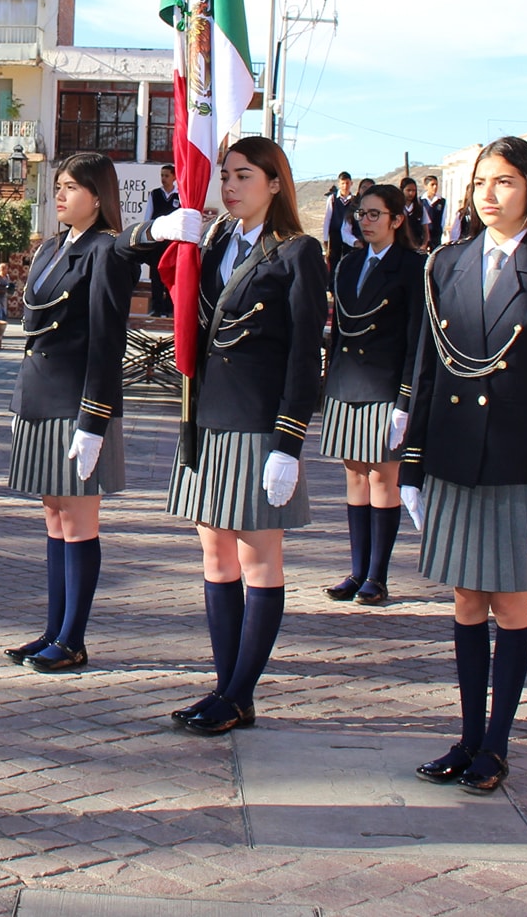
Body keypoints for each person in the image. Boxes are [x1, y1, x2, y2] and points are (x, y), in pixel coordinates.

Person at [399, 136, 527, 796]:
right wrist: (413, 466)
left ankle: (497, 743)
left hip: (514, 462)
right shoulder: (447, 263)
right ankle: (467, 733)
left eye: (504, 181)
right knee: (465, 598)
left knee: (510, 601)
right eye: (481, 180)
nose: (489, 192)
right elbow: (427, 367)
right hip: (455, 455)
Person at [129, 136, 325, 737]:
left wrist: (289, 441)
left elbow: (303, 355)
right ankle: (226, 687)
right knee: (215, 554)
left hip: (260, 424)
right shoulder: (211, 241)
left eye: (243, 175)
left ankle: (239, 692)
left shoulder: (298, 252)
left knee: (259, 556)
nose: (229, 186)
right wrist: (163, 231)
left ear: (274, 182)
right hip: (207, 418)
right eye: (224, 175)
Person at [2, 153, 134, 673]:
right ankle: (53, 629)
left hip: (79, 402)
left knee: (79, 521)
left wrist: (95, 420)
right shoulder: (54, 246)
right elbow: (33, 328)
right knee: (54, 517)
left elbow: (107, 341)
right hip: (42, 395)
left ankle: (73, 638)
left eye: (73, 187)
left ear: (99, 198)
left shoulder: (106, 251)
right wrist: (21, 400)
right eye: (58, 185)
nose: (60, 194)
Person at [317, 182, 424, 608]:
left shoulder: (413, 267)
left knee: (383, 479)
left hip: (385, 387)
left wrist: (406, 401)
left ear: (397, 219)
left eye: (375, 214)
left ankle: (377, 576)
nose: (366, 221)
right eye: (361, 214)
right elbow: (340, 332)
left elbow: (417, 339)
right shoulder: (347, 264)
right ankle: (357, 569)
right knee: (355, 478)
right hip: (348, 384)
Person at [146, 163, 180, 315]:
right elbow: (148, 217)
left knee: (171, 276)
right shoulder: (155, 194)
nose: (163, 179)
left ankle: (170, 308)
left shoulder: (180, 196)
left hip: (172, 242)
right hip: (157, 242)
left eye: (166, 175)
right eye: (162, 175)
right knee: (156, 276)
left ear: (174, 176)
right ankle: (156, 308)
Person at [323, 171, 359, 270]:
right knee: (333, 260)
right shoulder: (333, 199)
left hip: (349, 234)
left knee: (347, 260)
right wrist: (325, 238)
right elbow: (327, 218)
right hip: (335, 234)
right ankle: (332, 284)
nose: (345, 186)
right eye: (343, 183)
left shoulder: (354, 200)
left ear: (351, 183)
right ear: (339, 184)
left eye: (347, 183)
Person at [424, 175, 447, 250]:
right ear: (426, 186)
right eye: (432, 185)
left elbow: (443, 219)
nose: (435, 187)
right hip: (423, 235)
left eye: (436, 184)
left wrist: (441, 231)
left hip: (436, 235)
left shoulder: (441, 201)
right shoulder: (421, 201)